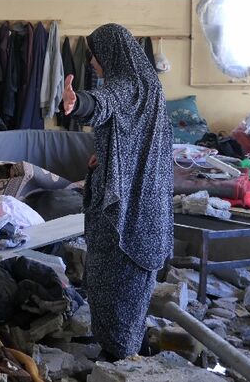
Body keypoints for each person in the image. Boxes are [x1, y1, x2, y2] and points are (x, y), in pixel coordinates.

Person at [61, 23, 173, 360]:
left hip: (128, 213)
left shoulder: (126, 86)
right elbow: (133, 135)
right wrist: (108, 157)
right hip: (149, 202)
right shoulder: (149, 85)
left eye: (94, 55)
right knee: (127, 289)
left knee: (116, 285)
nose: (92, 63)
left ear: (109, 54)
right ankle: (124, 344)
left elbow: (102, 103)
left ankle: (118, 358)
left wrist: (77, 101)